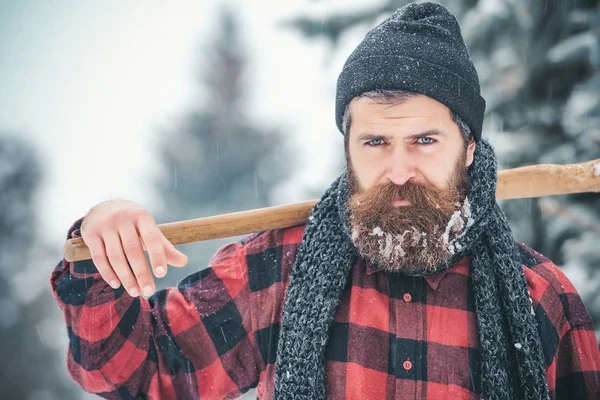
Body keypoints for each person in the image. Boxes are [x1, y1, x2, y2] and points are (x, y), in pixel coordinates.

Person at [51, 2, 600, 399]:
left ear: (470, 147)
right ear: (348, 149)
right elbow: (137, 371)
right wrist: (103, 239)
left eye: (425, 141)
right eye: (376, 142)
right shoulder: (279, 272)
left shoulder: (541, 298)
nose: (399, 170)